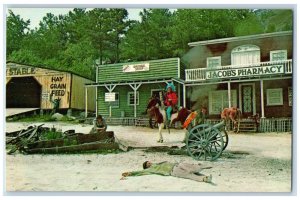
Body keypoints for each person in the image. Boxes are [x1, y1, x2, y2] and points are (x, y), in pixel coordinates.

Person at [121, 161, 212, 183]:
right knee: (188, 175)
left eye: (149, 162)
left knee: (191, 167)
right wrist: (131, 173)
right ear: (146, 167)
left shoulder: (158, 163)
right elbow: (140, 172)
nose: (150, 163)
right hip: (173, 171)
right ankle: (204, 178)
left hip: (176, 165)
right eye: (148, 164)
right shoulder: (150, 170)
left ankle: (202, 167)